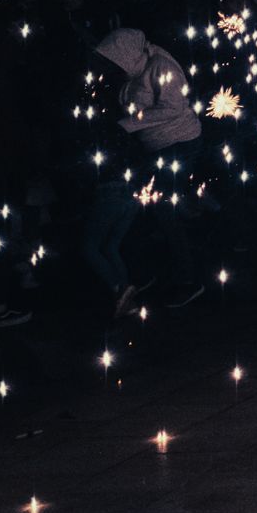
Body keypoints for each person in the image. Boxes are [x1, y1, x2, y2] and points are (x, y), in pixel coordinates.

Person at [86, 27, 205, 317]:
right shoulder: (132, 73)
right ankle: (153, 271)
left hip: (179, 145)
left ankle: (188, 281)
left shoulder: (162, 67)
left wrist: (128, 124)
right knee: (150, 210)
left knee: (165, 211)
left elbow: (172, 108)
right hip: (155, 148)